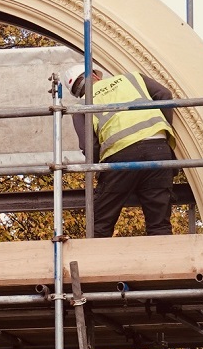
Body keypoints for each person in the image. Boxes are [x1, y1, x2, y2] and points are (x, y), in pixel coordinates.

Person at [67, 63, 178, 237]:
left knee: (100, 225)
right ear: (95, 75)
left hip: (120, 157)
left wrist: (102, 169)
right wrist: (161, 130)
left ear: (77, 92)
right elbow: (165, 95)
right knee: (159, 225)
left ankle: (96, 253)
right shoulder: (132, 78)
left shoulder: (81, 106)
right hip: (157, 149)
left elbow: (88, 146)